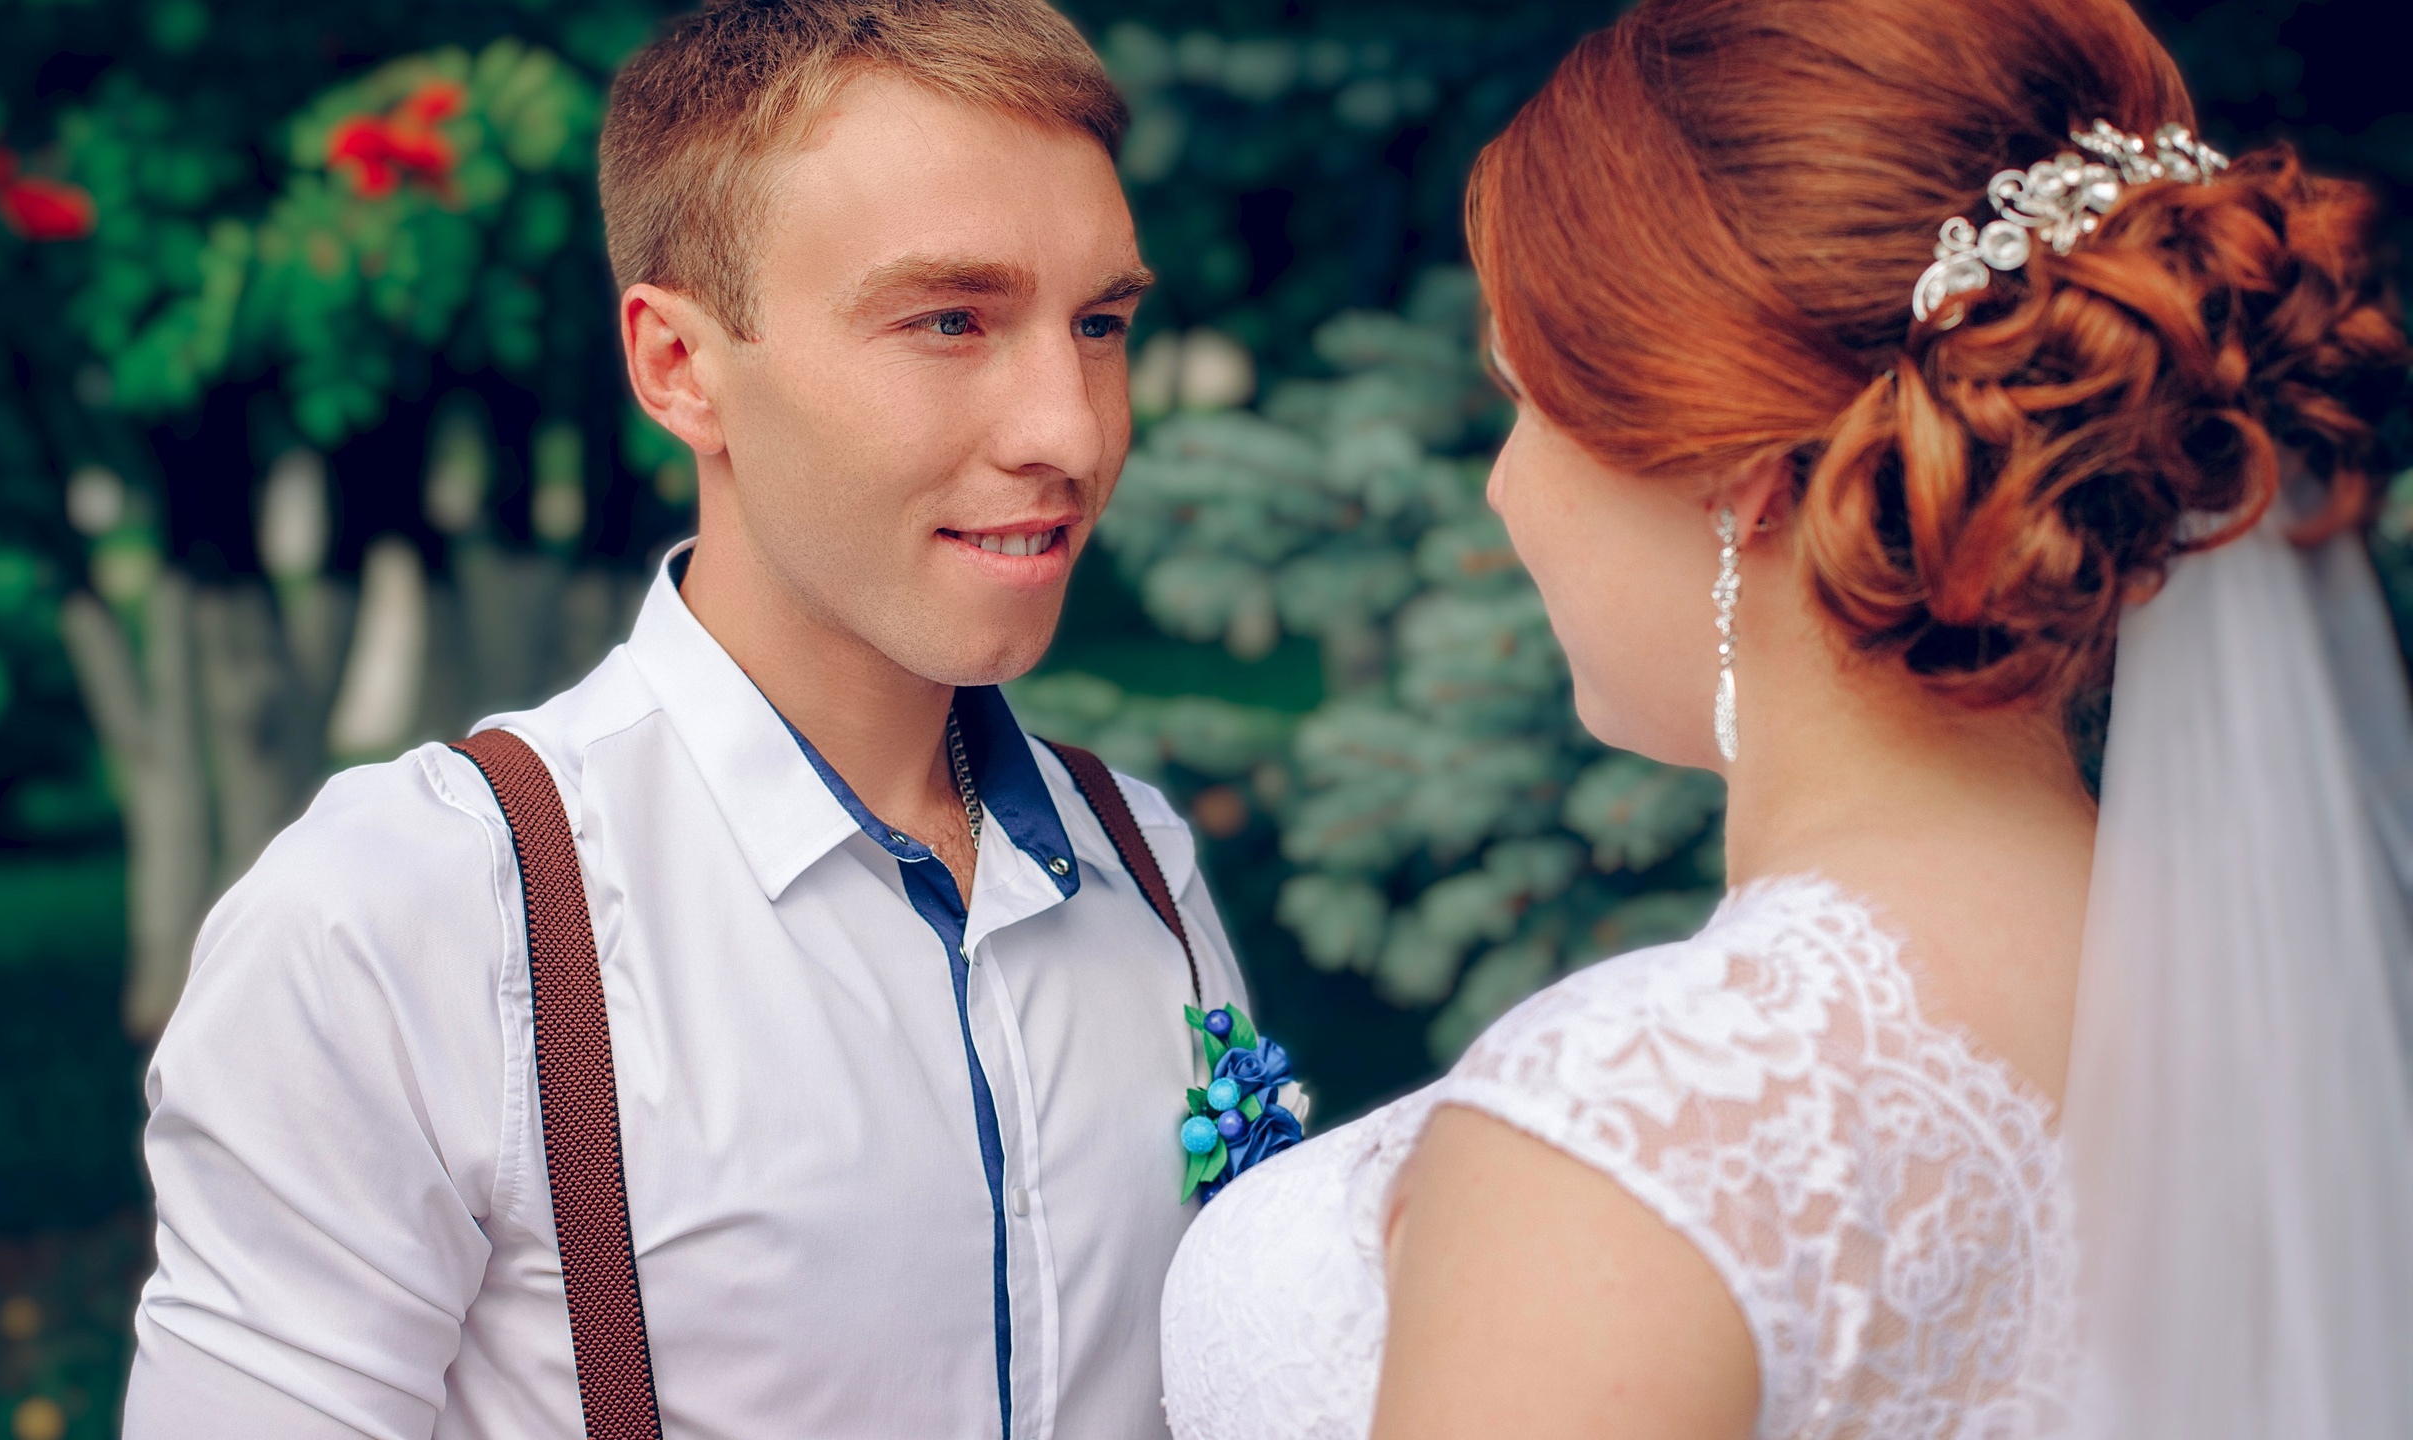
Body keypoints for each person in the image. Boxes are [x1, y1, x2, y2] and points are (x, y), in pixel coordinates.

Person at [1161, 0, 2413, 1436]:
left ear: (1744, 472)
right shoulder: (2284, 1027)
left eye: (1523, 395)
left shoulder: (1642, 1126)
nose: (1506, 488)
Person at [123, 4, 1249, 1437]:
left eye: (1099, 324)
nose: (1073, 430)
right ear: (678, 367)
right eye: (950, 319)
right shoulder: (417, 918)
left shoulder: (1140, 866)